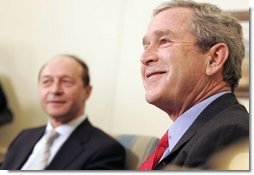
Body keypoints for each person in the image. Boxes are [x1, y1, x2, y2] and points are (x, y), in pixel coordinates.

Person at [138, 0, 249, 170]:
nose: (145, 57)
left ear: (214, 59)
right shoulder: (194, 132)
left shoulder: (230, 134)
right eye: (146, 45)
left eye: (164, 41)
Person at [0, 54, 126, 170]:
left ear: (87, 92)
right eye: (47, 82)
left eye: (66, 81)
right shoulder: (24, 137)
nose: (55, 90)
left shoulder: (105, 149)